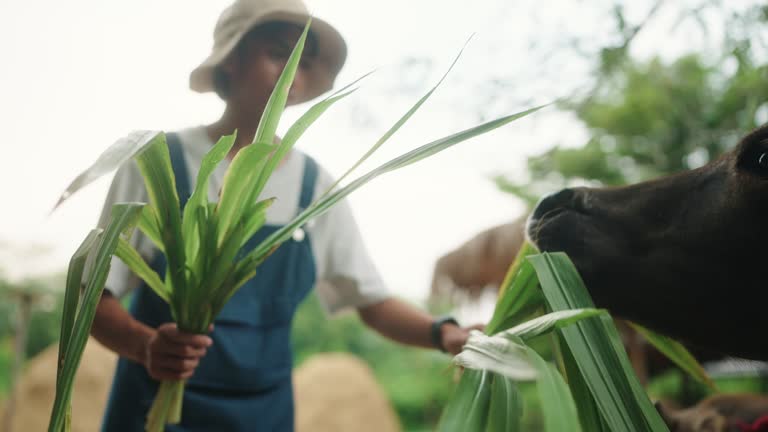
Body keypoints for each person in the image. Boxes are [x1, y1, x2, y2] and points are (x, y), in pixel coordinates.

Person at [90, 0, 480, 430]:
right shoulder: (158, 164)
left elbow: (370, 300)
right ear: (231, 59)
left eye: (305, 62)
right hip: (150, 409)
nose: (292, 73)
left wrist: (444, 332)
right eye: (279, 53)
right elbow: (93, 296)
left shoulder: (315, 186)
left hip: (263, 415)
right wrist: (145, 346)